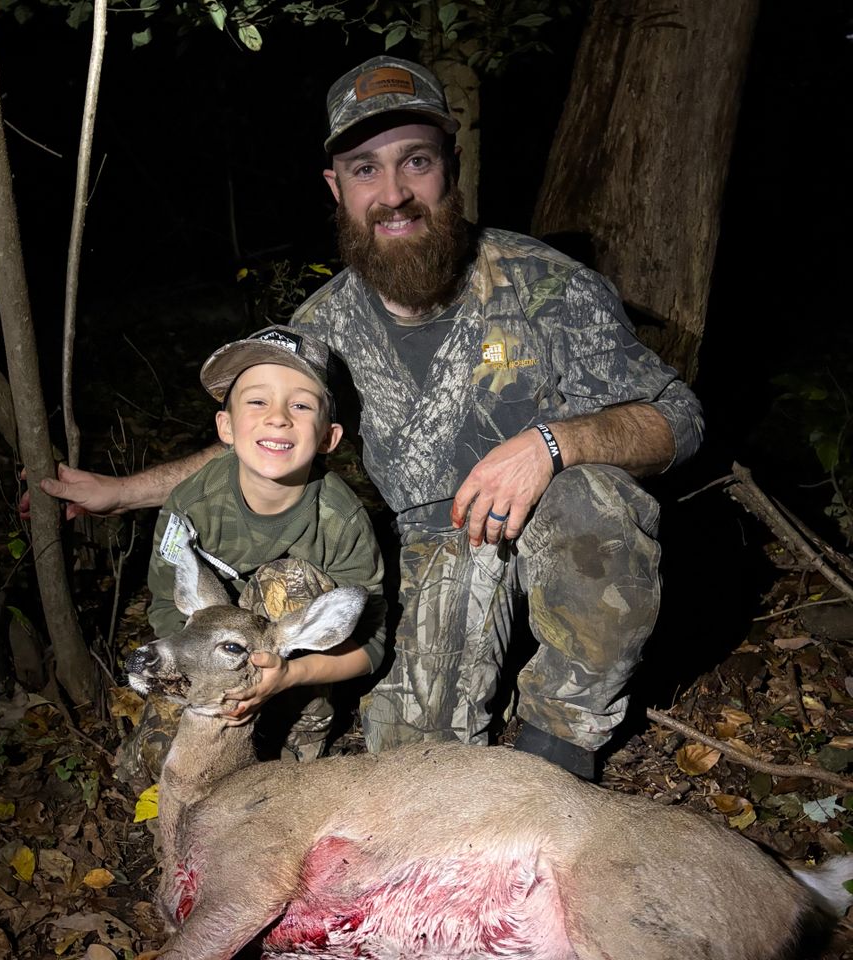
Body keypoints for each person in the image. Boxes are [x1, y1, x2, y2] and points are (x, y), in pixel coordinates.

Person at [34, 56, 704, 781]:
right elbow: (264, 447)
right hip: (427, 557)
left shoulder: (551, 287)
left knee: (593, 498)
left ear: (450, 165)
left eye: (415, 161)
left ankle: (559, 752)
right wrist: (119, 492)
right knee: (411, 768)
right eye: (364, 169)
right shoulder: (324, 327)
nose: (393, 194)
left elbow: (679, 415)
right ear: (336, 186)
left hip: (544, 523)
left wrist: (553, 444)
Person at [147, 324, 386, 761]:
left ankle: (296, 741)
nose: (278, 417)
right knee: (154, 759)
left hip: (290, 667)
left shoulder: (340, 518)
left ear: (329, 437)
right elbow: (166, 604)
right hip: (208, 660)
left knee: (288, 579)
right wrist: (208, 684)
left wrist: (287, 675)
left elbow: (370, 645)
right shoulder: (191, 505)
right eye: (257, 401)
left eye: (300, 404)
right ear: (226, 426)